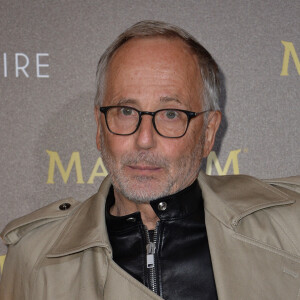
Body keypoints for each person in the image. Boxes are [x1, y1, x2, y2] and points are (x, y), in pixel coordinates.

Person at [0, 20, 299, 300]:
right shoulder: (33, 259)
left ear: (208, 133)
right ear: (99, 128)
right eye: (126, 111)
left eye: (171, 114)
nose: (144, 139)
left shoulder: (289, 231)